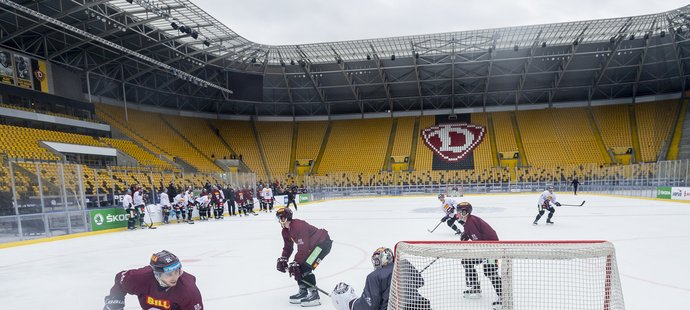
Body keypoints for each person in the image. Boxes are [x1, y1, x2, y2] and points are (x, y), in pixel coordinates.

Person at [103, 250, 203, 310]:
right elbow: (120, 280)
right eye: (168, 274)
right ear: (157, 274)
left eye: (177, 271)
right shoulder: (139, 278)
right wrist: (115, 302)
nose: (174, 277)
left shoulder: (188, 291)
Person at [275, 207, 332, 307]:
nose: (280, 220)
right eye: (278, 218)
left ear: (287, 218)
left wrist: (296, 262)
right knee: (297, 266)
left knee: (304, 267)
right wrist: (284, 258)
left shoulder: (298, 225)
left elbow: (304, 247)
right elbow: (288, 247)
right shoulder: (285, 231)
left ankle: (314, 295)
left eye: (281, 218)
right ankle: (303, 291)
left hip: (322, 244)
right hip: (312, 246)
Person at [456, 202, 502, 309]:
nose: (457, 214)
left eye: (459, 212)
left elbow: (478, 241)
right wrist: (465, 235)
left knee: (489, 271)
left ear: (464, 212)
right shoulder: (468, 222)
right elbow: (469, 234)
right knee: (467, 262)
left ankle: (503, 296)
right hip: (485, 248)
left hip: (491, 250)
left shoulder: (471, 222)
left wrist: (468, 244)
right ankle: (475, 287)